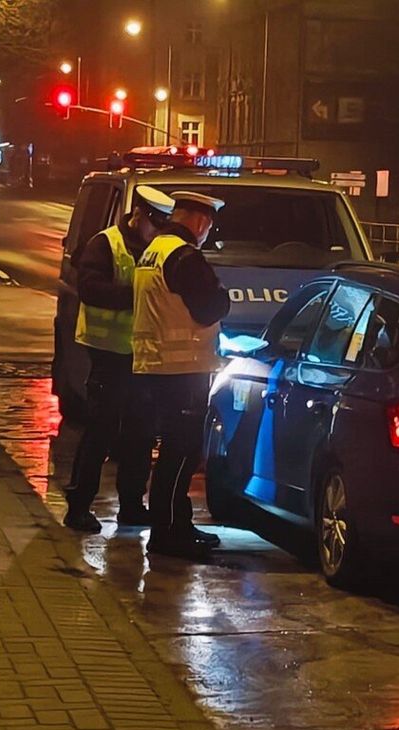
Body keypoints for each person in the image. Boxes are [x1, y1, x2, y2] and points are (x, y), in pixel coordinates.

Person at [63, 185, 176, 533]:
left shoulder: (156, 249)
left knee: (140, 434)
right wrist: (138, 297)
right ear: (138, 215)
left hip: (142, 356)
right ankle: (79, 506)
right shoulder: (105, 244)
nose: (156, 232)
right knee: (101, 430)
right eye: (153, 224)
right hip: (108, 353)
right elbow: (91, 289)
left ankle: (131, 505)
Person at [131, 190, 231, 560]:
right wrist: (224, 297)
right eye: (208, 224)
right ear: (200, 221)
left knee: (175, 451)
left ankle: (177, 523)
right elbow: (210, 307)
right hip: (183, 368)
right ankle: (168, 532)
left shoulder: (155, 249)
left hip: (157, 364)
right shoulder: (185, 256)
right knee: (181, 452)